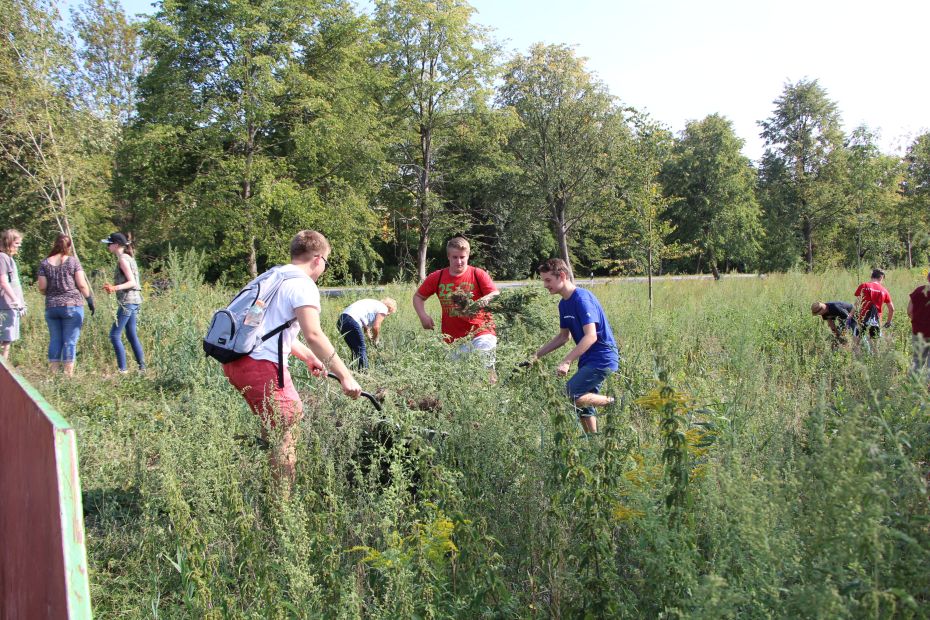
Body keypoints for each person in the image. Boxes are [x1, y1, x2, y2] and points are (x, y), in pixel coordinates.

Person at [222, 230, 362, 483]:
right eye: (327, 262)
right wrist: (345, 376)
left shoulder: (271, 277)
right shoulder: (303, 284)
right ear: (318, 259)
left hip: (237, 362)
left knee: (274, 425)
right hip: (263, 367)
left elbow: (257, 328)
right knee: (287, 431)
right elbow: (314, 334)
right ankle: (282, 502)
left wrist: (308, 357)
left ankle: (269, 487)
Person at [528, 258, 618, 434]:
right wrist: (536, 355)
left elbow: (591, 336)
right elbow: (564, 337)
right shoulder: (563, 304)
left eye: (548, 280)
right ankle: (593, 441)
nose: (545, 285)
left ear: (562, 276)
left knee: (570, 394)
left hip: (602, 359)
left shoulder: (582, 299)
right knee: (583, 406)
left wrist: (567, 361)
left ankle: (613, 402)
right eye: (543, 281)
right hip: (587, 360)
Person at [413, 237, 499, 382]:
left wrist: (483, 301)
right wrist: (423, 316)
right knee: (460, 381)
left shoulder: (477, 274)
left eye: (462, 257)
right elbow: (418, 297)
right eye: (455, 257)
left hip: (481, 332)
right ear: (448, 257)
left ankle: (492, 393)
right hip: (453, 339)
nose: (459, 261)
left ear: (468, 256)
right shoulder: (438, 277)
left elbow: (495, 293)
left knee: (484, 371)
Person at [37, 234, 95, 376]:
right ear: (69, 247)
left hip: (52, 307)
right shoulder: (73, 261)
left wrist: (51, 294)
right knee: (70, 341)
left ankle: (54, 373)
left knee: (55, 339)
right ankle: (68, 375)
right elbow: (82, 284)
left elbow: (42, 287)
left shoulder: (44, 263)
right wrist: (89, 300)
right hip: (72, 305)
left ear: (55, 244)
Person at [101, 232, 146, 374]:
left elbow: (132, 282)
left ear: (117, 245)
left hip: (128, 301)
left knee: (114, 335)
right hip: (135, 300)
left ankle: (123, 370)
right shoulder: (129, 258)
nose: (108, 246)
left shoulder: (123, 260)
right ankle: (142, 368)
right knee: (131, 334)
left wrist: (114, 288)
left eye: (109, 243)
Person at [336, 297, 397, 370]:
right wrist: (376, 339)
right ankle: (364, 373)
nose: (387, 315)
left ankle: (353, 370)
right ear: (389, 309)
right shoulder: (384, 308)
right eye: (389, 314)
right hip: (351, 320)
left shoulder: (373, 306)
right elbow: (376, 327)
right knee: (361, 349)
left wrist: (371, 340)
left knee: (355, 349)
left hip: (341, 320)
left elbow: (366, 329)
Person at [0, 229, 25, 360]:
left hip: (10, 305)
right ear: (8, 242)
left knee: (7, 340)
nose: (19, 246)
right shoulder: (2, 257)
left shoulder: (8, 258)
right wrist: (16, 300)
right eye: (16, 243)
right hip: (5, 305)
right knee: (5, 340)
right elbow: (3, 282)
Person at [853, 268, 894, 341]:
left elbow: (857, 303)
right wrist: (888, 322)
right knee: (874, 345)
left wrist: (850, 315)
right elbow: (892, 309)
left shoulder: (864, 286)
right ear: (881, 277)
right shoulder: (884, 290)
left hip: (862, 318)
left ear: (871, 276)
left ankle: (858, 349)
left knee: (856, 342)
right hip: (876, 320)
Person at [907, 270, 930, 378]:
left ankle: (912, 383)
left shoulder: (918, 290)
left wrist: (917, 322)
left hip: (918, 331)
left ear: (928, 278)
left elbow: (909, 311)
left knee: (917, 360)